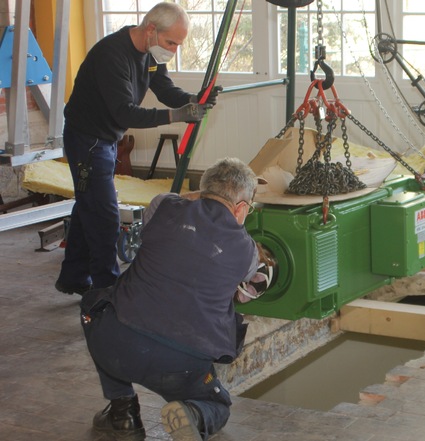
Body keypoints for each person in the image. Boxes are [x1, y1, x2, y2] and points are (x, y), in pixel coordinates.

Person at [80, 157, 270, 441]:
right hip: (180, 366)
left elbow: (178, 207)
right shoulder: (246, 251)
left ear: (202, 190)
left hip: (116, 344)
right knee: (219, 405)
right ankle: (194, 413)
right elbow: (251, 276)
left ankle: (123, 412)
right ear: (242, 208)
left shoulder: (162, 207)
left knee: (91, 306)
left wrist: (203, 197)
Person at [55, 2, 221, 295]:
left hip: (105, 139)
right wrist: (176, 116)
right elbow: (125, 113)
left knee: (88, 206)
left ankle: (73, 278)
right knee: (105, 216)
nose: (173, 49)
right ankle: (108, 292)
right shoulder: (112, 55)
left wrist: (194, 100)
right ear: (150, 29)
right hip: (87, 141)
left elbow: (167, 91)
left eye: (179, 44)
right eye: (171, 42)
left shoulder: (151, 54)